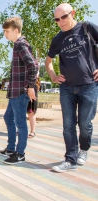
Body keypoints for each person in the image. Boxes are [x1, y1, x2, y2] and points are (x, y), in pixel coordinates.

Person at [45, 3, 98, 173]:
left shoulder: (87, 28)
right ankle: (70, 159)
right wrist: (53, 76)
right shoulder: (57, 39)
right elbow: (48, 61)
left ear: (73, 13)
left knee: (84, 123)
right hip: (67, 88)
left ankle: (84, 149)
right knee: (68, 125)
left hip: (89, 85)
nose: (60, 22)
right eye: (57, 19)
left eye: (64, 17)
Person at [0, 17, 38, 165]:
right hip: (14, 91)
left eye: (7, 31)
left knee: (20, 123)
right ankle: (10, 148)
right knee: (8, 118)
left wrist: (30, 86)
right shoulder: (17, 45)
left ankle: (20, 154)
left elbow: (33, 65)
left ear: (16, 30)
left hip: (20, 92)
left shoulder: (20, 44)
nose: (5, 35)